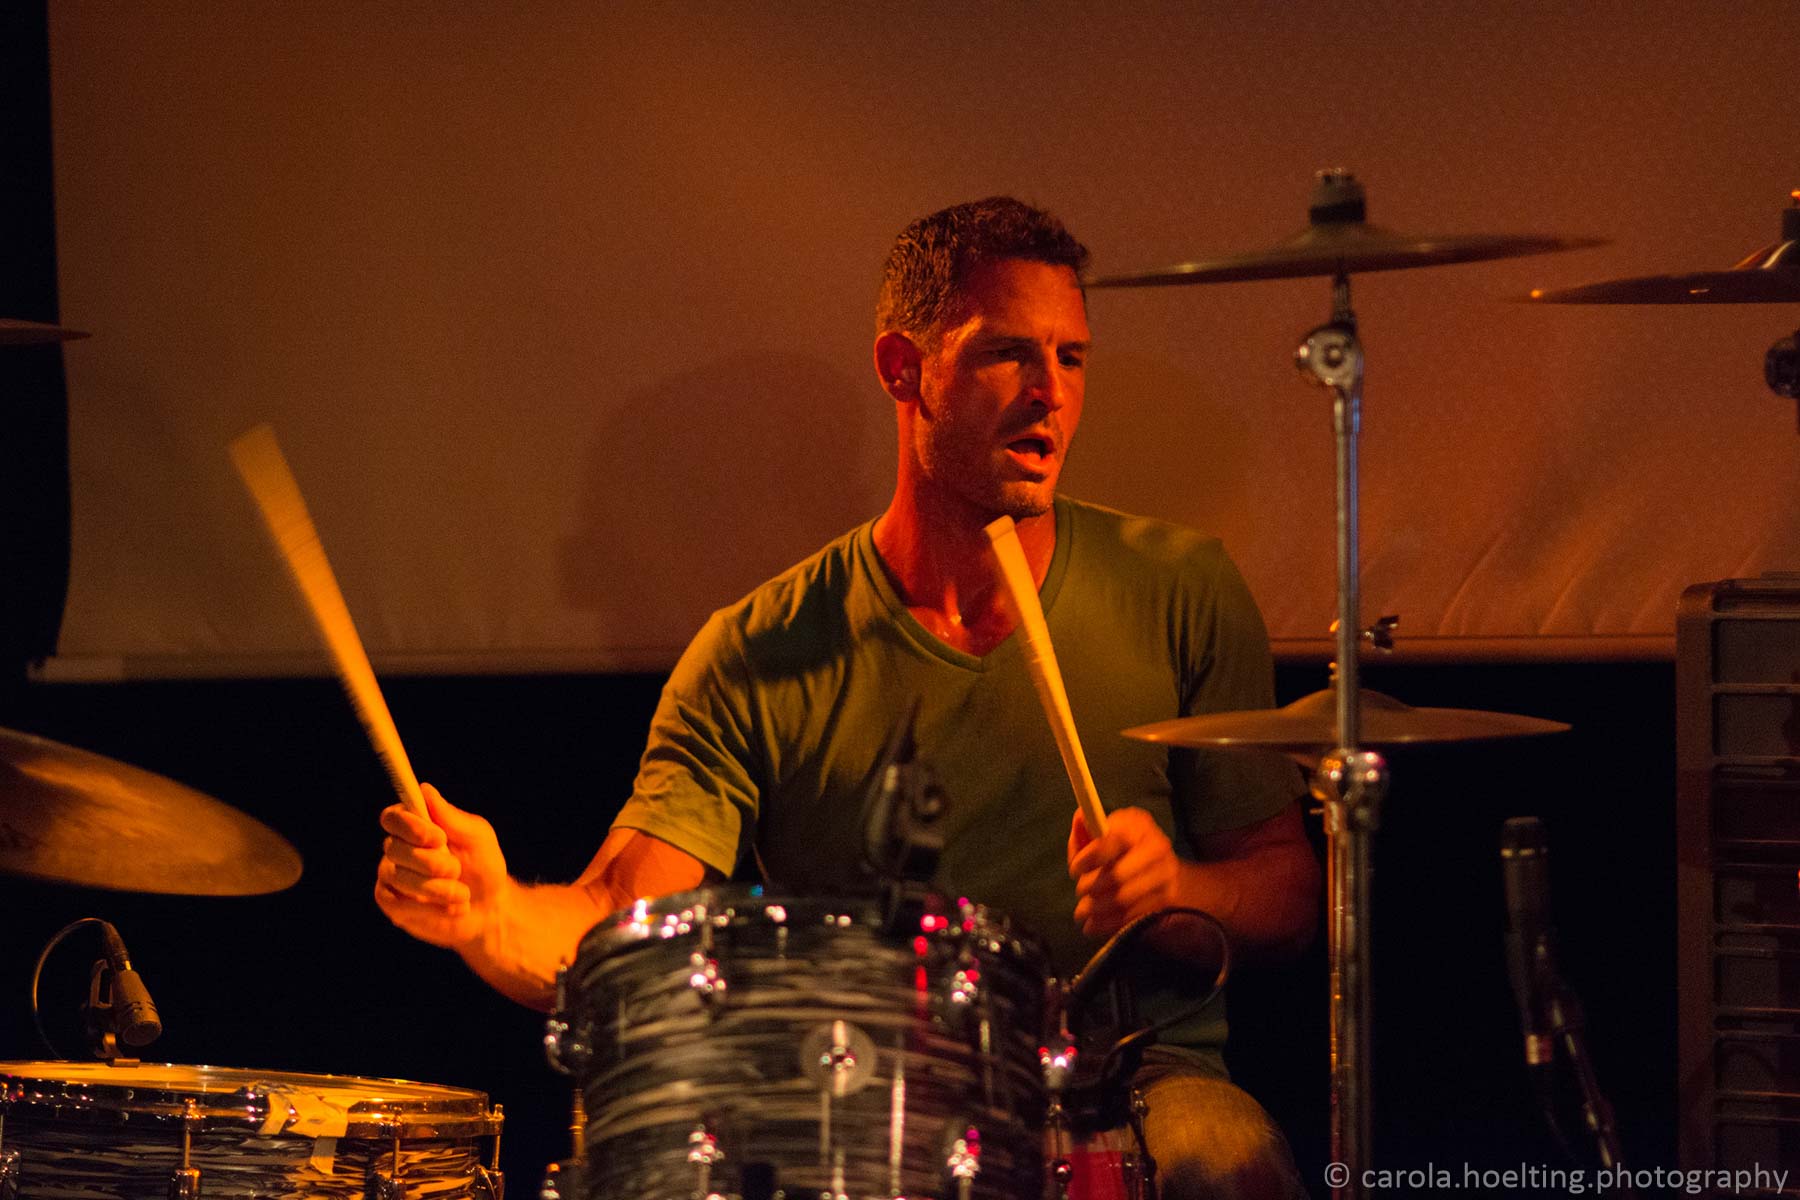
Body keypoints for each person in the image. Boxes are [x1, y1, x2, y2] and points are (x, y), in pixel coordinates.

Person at [377, 197, 1320, 1199]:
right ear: (903, 369)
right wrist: (489, 914)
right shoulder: (757, 651)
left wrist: (1178, 891)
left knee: (1229, 1157)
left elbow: (1290, 896)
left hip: (1135, 1084)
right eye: (1008, 353)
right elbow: (615, 916)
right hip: (870, 1102)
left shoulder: (1181, 589)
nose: (1051, 393)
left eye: (1072, 357)